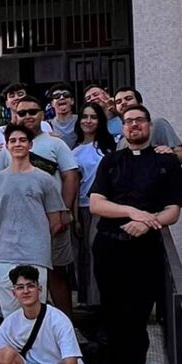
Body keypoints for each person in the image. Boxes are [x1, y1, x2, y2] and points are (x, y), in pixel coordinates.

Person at [90, 104, 182, 364]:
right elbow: (96, 203)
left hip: (144, 251)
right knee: (113, 319)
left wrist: (148, 224)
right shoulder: (112, 161)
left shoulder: (166, 162)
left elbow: (173, 210)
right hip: (109, 247)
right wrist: (132, 212)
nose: (133, 126)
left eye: (139, 121)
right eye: (128, 122)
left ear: (149, 126)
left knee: (134, 323)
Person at [0, 97, 79, 317]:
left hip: (52, 220)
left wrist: (65, 211)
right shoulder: (6, 149)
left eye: (33, 111)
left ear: (42, 114)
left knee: (56, 274)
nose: (28, 116)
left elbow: (70, 176)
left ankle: (66, 324)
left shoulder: (55, 143)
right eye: (22, 113)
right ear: (15, 116)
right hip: (16, 232)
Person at [0, 124, 66, 317]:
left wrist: (36, 237)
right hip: (4, 254)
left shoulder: (45, 180)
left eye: (22, 140)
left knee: (35, 312)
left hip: (36, 254)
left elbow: (56, 221)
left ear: (30, 145)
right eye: (13, 140)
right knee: (10, 313)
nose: (18, 144)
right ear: (7, 146)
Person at [71, 102, 116, 305]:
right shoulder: (74, 151)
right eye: (85, 116)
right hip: (83, 207)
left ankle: (102, 300)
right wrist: (74, 216)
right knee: (85, 256)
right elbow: (73, 186)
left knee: (100, 254)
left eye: (93, 117)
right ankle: (88, 300)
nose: (88, 121)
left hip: (107, 207)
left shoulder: (110, 147)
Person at [114, 87, 182, 164]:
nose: (123, 103)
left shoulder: (158, 124)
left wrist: (171, 154)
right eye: (118, 102)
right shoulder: (121, 137)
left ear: (140, 103)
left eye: (128, 99)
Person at [0, 85, 53, 156]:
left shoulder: (44, 125)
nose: (16, 98)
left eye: (20, 94)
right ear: (7, 104)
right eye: (12, 96)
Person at [47, 83, 78, 147]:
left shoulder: (81, 120)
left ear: (72, 101)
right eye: (56, 96)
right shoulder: (47, 126)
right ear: (52, 103)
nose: (61, 97)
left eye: (66, 95)